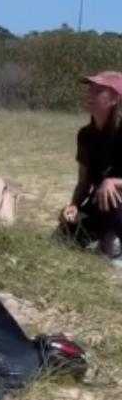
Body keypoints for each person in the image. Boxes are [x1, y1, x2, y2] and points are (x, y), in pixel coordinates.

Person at [59, 71, 122, 261]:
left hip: (116, 202)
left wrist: (114, 182)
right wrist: (74, 205)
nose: (90, 94)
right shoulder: (85, 135)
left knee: (110, 195)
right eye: (89, 89)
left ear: (115, 99)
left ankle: (111, 245)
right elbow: (83, 182)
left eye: (98, 90)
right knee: (67, 229)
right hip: (101, 203)